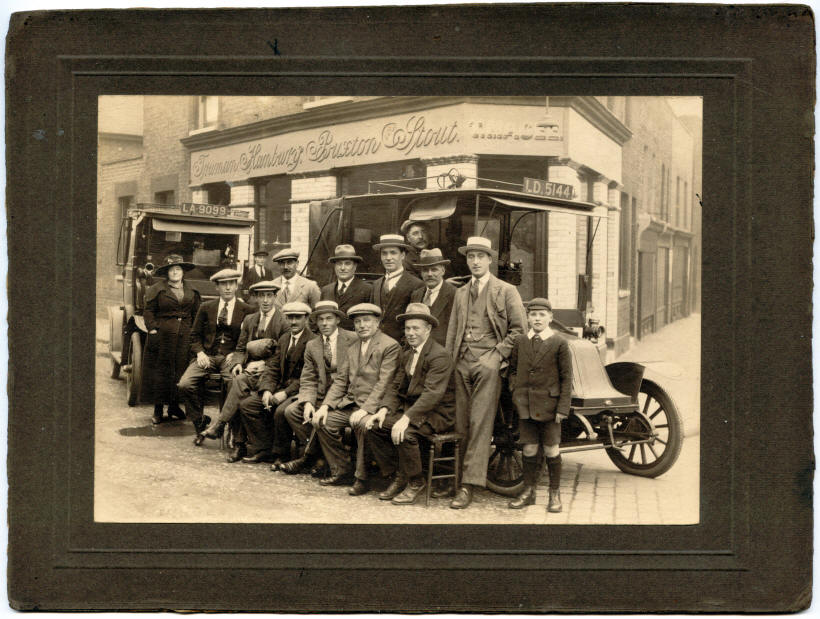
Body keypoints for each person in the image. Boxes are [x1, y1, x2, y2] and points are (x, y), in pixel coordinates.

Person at [445, 236, 527, 509]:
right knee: (460, 423)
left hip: (490, 364)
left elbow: (519, 331)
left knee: (480, 424)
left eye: (481, 256)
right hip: (462, 363)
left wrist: (496, 357)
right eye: (471, 257)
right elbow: (453, 332)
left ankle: (469, 485)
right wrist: (450, 364)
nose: (476, 261)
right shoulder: (460, 292)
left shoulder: (505, 290)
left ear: (490, 260)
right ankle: (456, 480)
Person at [365, 303, 456, 504]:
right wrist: (383, 410)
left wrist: (406, 418)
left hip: (438, 413)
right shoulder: (407, 353)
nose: (411, 333)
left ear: (428, 329)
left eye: (416, 328)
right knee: (374, 426)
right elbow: (396, 386)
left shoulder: (439, 355)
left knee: (405, 434)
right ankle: (399, 474)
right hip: (414, 410)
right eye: (407, 328)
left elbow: (433, 394)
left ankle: (415, 481)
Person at [310, 303, 400, 494]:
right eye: (357, 322)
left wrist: (365, 409)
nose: (362, 325)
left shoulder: (389, 346)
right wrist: (325, 406)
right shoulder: (353, 347)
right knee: (322, 422)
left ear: (377, 322)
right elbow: (341, 380)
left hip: (375, 407)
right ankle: (343, 469)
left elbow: (384, 383)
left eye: (367, 320)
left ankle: (362, 478)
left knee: (362, 425)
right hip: (351, 403)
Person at [507, 298, 572, 513]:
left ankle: (554, 493)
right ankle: (529, 491)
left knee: (552, 449)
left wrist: (563, 408)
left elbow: (566, 378)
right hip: (526, 405)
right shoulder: (520, 341)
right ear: (527, 317)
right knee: (529, 448)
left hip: (550, 408)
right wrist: (516, 392)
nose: (537, 318)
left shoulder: (559, 343)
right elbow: (514, 370)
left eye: (542, 315)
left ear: (550, 318)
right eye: (533, 314)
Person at [278, 300, 358, 476]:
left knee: (325, 418)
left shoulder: (353, 339)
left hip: (345, 397)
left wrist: (328, 404)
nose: (324, 323)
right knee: (292, 411)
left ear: (337, 320)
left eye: (329, 319)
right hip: (321, 395)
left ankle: (310, 458)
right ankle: (321, 456)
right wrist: (307, 402)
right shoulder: (312, 345)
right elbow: (308, 377)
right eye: (320, 319)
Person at [177, 269, 255, 446]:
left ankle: (229, 429)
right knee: (185, 384)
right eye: (223, 284)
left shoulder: (247, 310)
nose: (227, 288)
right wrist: (200, 353)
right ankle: (200, 425)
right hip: (208, 356)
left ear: (236, 286)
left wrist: (237, 355)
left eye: (231, 284)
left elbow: (250, 339)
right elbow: (193, 335)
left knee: (232, 384)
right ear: (217, 287)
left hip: (231, 359)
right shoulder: (206, 307)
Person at [229, 302, 314, 464]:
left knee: (281, 411)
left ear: (306, 319)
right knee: (248, 405)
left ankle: (281, 454)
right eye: (290, 317)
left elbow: (307, 377)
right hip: (279, 388)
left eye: (298, 317)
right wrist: (267, 390)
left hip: (300, 390)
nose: (293, 322)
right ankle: (263, 448)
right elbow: (272, 368)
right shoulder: (284, 339)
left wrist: (285, 393)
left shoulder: (312, 341)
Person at [143, 254, 202, 425]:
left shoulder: (192, 291)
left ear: (183, 272)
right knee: (162, 372)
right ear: (167, 273)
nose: (175, 272)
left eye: (178, 269)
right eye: (172, 270)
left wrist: (194, 333)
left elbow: (197, 314)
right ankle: (158, 410)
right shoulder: (157, 289)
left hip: (185, 336)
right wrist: (153, 328)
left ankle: (174, 407)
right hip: (163, 335)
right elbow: (149, 311)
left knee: (180, 371)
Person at [369, 233, 423, 343]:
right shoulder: (376, 284)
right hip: (375, 345)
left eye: (393, 253)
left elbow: (415, 322)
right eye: (384, 253)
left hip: (401, 347)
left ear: (402, 255)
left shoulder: (416, 284)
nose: (388, 258)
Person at [408, 248, 456, 346]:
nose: (430, 274)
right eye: (425, 270)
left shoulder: (454, 294)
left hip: (442, 352)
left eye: (434, 270)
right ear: (421, 273)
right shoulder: (416, 294)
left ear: (443, 271)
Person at [320, 244, 372, 331]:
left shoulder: (367, 289)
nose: (343, 268)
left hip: (355, 341)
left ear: (355, 266)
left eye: (347, 264)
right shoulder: (326, 290)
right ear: (335, 267)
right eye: (339, 264)